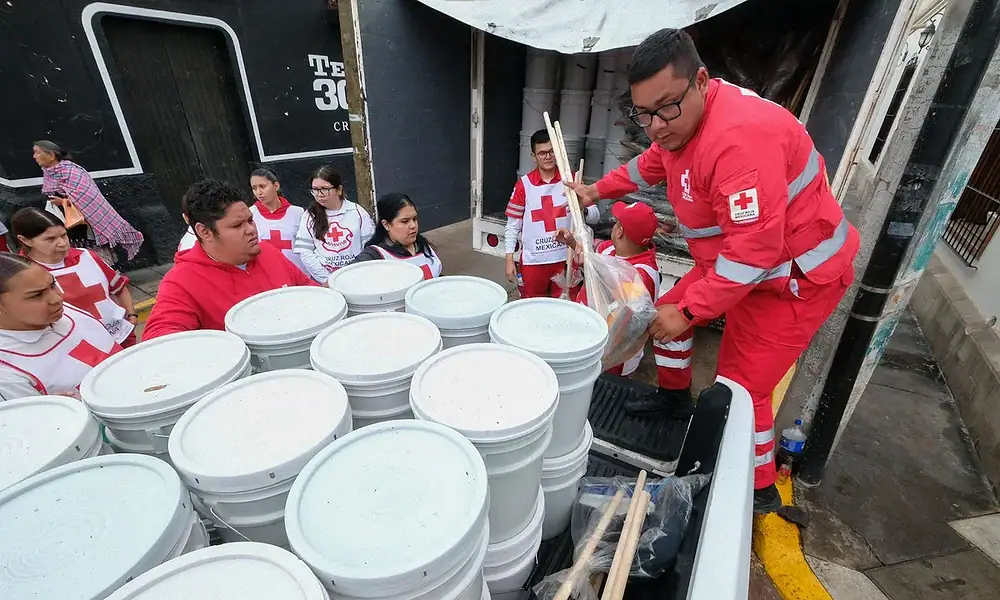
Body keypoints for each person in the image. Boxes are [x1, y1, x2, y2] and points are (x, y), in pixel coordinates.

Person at [566, 29, 859, 513]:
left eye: (666, 108)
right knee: (660, 313)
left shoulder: (738, 143)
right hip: (739, 265)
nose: (656, 125)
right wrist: (597, 191)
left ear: (701, 80)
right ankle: (675, 399)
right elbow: (652, 164)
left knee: (743, 388)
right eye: (644, 113)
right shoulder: (681, 125)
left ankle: (757, 487)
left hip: (794, 279)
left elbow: (755, 251)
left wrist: (693, 309)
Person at [143, 180, 318, 339]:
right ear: (204, 231)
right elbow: (159, 340)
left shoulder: (268, 251)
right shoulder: (181, 281)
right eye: (237, 225)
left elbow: (311, 290)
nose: (251, 230)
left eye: (250, 220)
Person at [555, 201, 661, 377]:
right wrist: (573, 243)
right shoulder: (608, 249)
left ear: (619, 232)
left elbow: (627, 322)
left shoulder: (641, 275)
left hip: (613, 357)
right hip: (587, 338)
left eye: (617, 223)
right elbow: (591, 260)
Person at [0, 254, 122, 400]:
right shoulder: (6, 374)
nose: (57, 298)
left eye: (52, 285)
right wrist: (60, 411)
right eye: (37, 295)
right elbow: (34, 420)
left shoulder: (60, 311)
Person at [11, 207, 138, 348]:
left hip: (121, 336)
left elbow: (119, 288)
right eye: (50, 239)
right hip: (80, 348)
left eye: (64, 235)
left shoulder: (87, 256)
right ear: (25, 240)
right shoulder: (22, 274)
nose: (62, 243)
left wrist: (132, 315)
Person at [504, 129, 599, 298]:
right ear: (534, 156)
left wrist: (581, 207)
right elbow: (512, 226)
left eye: (551, 151)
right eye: (542, 153)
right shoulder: (524, 185)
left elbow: (594, 216)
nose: (548, 156)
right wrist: (509, 258)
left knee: (566, 309)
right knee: (532, 307)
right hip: (534, 261)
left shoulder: (571, 180)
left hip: (566, 258)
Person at [33, 140, 145, 265]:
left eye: (37, 152)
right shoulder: (49, 174)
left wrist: (64, 201)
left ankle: (106, 273)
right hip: (64, 220)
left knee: (92, 248)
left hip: (84, 220)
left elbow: (88, 196)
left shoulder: (71, 172)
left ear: (51, 155)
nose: (34, 156)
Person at [294, 166, 375, 283]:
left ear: (339, 189)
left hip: (357, 278)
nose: (320, 194)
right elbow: (305, 252)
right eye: (315, 190)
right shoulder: (309, 215)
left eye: (325, 189)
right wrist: (328, 279)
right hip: (326, 281)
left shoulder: (357, 212)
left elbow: (368, 248)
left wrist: (355, 275)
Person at [352, 193, 442, 279]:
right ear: (386, 225)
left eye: (414, 219)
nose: (413, 225)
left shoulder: (422, 245)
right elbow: (345, 276)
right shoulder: (375, 255)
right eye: (405, 221)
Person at [249, 168, 308, 274]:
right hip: (268, 274)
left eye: (262, 186)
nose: (258, 192)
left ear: (276, 186)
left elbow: (308, 247)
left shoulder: (298, 213)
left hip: (299, 273)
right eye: (254, 188)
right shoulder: (250, 215)